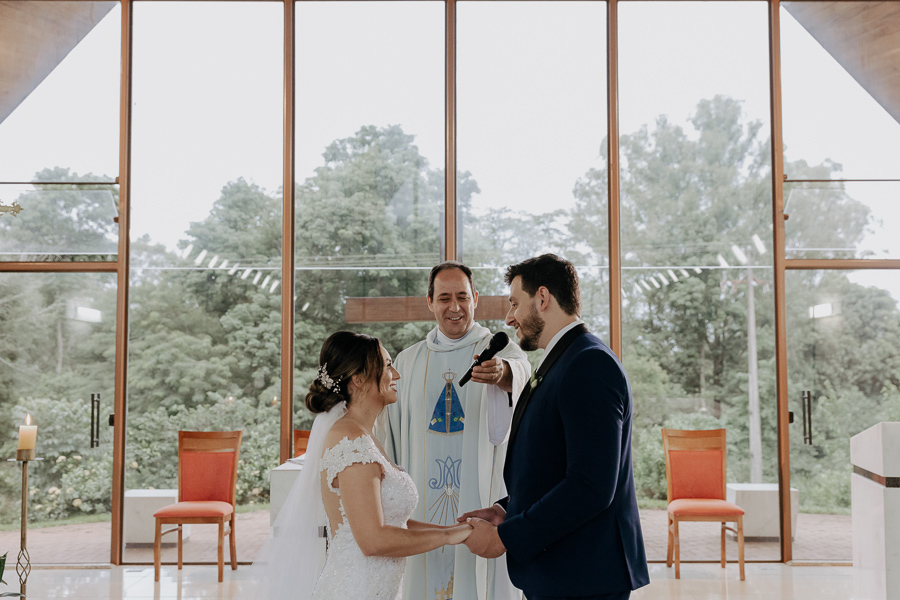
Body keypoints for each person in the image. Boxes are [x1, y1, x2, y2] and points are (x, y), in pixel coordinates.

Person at [459, 254, 650, 600]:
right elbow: (553, 465)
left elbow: (590, 485)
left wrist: (508, 537)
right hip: (565, 570)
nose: (509, 317)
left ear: (542, 298)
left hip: (583, 574)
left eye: (515, 303)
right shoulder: (566, 359)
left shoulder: (588, 364)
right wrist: (507, 509)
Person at [250, 331, 473, 600]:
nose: (397, 375)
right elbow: (373, 540)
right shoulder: (350, 442)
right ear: (358, 379)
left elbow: (392, 521)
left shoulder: (363, 437)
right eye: (388, 365)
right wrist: (450, 537)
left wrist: (456, 530)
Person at [377, 261, 531, 600]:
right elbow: (386, 431)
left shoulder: (500, 351)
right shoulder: (408, 361)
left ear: (475, 298)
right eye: (444, 298)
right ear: (429, 302)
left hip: (484, 504)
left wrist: (505, 375)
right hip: (420, 509)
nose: (455, 307)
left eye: (463, 296)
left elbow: (524, 375)